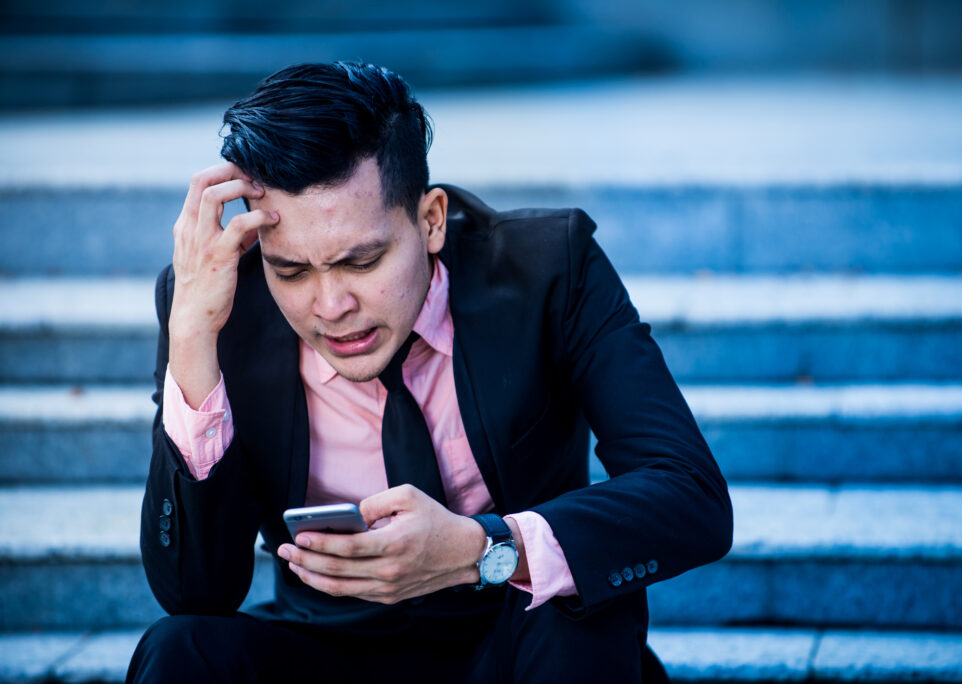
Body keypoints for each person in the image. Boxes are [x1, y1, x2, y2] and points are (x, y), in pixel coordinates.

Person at [128, 61, 732, 683]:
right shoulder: (220, 306)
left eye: (362, 262)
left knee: (579, 597)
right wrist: (193, 342)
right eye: (292, 272)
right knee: (180, 650)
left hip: (522, 645)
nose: (331, 307)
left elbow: (690, 495)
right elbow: (195, 591)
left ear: (431, 219)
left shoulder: (549, 271)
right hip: (324, 652)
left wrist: (486, 549)